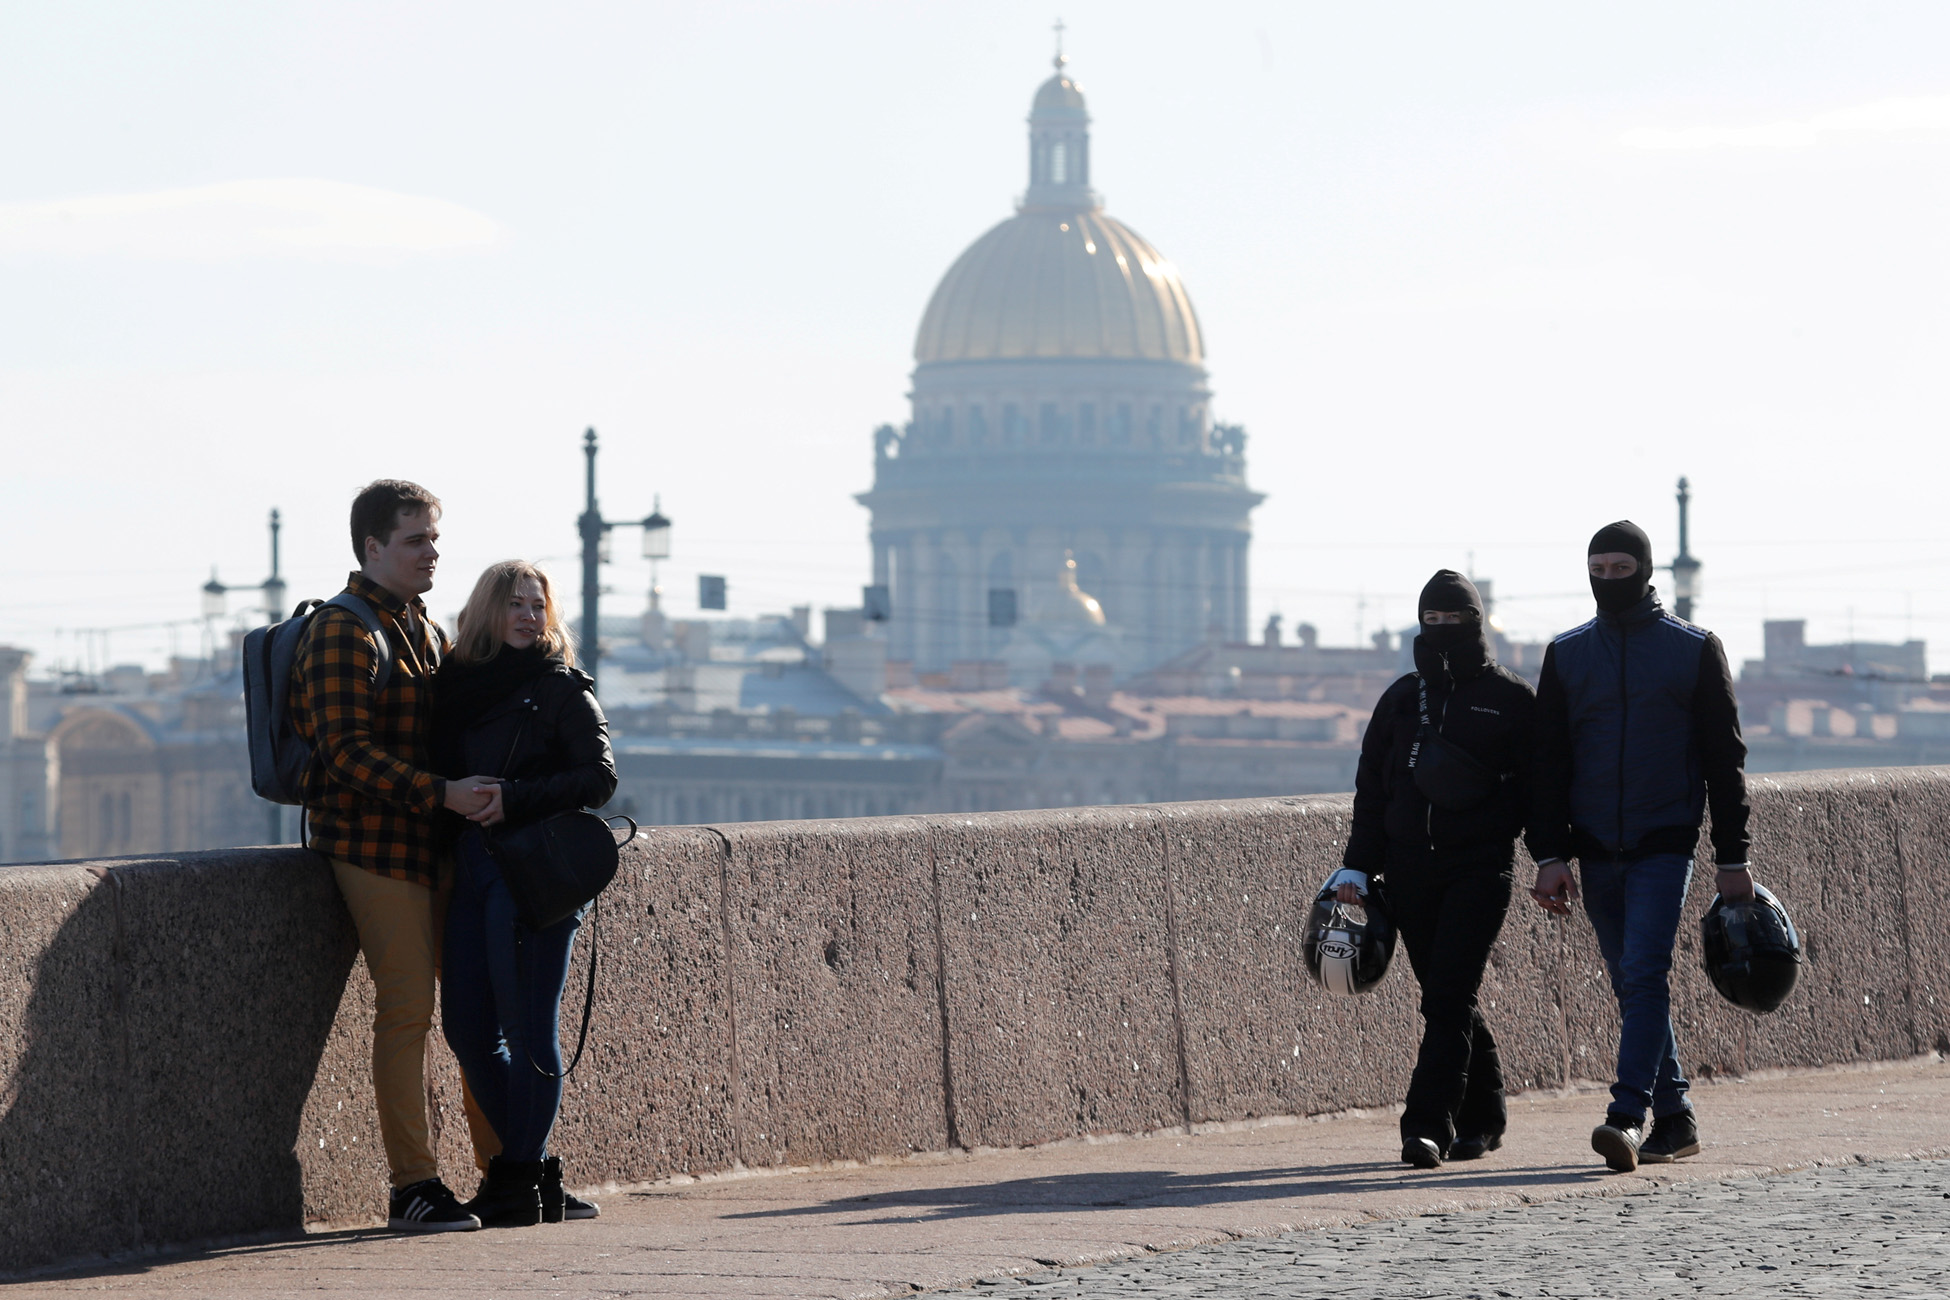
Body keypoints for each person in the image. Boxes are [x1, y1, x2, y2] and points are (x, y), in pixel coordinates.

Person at [292, 480, 501, 1231]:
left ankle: (507, 1170)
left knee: (480, 1004)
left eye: (435, 539)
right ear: (372, 547)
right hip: (369, 844)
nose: (432, 552)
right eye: (416, 540)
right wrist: (441, 792)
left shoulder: (425, 626)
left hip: (434, 841)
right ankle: (414, 1185)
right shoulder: (342, 631)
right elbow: (343, 752)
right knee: (408, 1007)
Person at [1528, 520, 1754, 1173]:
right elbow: (1547, 765)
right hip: (1595, 845)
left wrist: (1731, 857)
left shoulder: (1693, 649)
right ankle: (1676, 1118)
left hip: (1665, 840)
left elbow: (1724, 761)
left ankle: (1627, 1115)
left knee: (1646, 972)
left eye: (1620, 571)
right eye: (1597, 571)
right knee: (1633, 986)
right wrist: (1549, 854)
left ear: (1645, 572)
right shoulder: (1567, 656)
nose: (1607, 582)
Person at [433, 560, 616, 1227]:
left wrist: (513, 800)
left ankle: (516, 1178)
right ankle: (531, 1171)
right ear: (486, 611)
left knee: (529, 1029)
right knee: (467, 1029)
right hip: (472, 871)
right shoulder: (453, 687)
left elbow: (599, 778)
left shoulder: (560, 687)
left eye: (538, 606)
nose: (528, 617)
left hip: (536, 877)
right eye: (514, 604)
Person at [1340, 570, 1538, 1168]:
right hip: (1406, 872)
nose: (1444, 630)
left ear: (1476, 623)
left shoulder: (1511, 700)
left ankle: (1427, 1126)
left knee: (1449, 996)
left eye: (1456, 619)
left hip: (1479, 869)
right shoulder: (1400, 700)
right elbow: (1371, 792)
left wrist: (1550, 856)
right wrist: (1356, 869)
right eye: (1434, 620)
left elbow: (1539, 791)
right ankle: (1486, 1114)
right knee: (1446, 997)